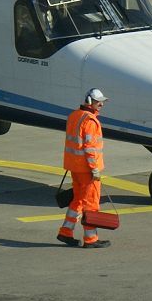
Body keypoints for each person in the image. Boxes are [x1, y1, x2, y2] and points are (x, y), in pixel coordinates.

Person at [57, 88, 110, 248]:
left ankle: (65, 232)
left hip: (75, 167)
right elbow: (90, 148)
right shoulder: (90, 121)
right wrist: (94, 169)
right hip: (87, 170)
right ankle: (91, 239)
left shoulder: (74, 116)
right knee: (91, 204)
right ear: (89, 102)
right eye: (97, 101)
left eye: (101, 101)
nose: (101, 104)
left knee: (78, 201)